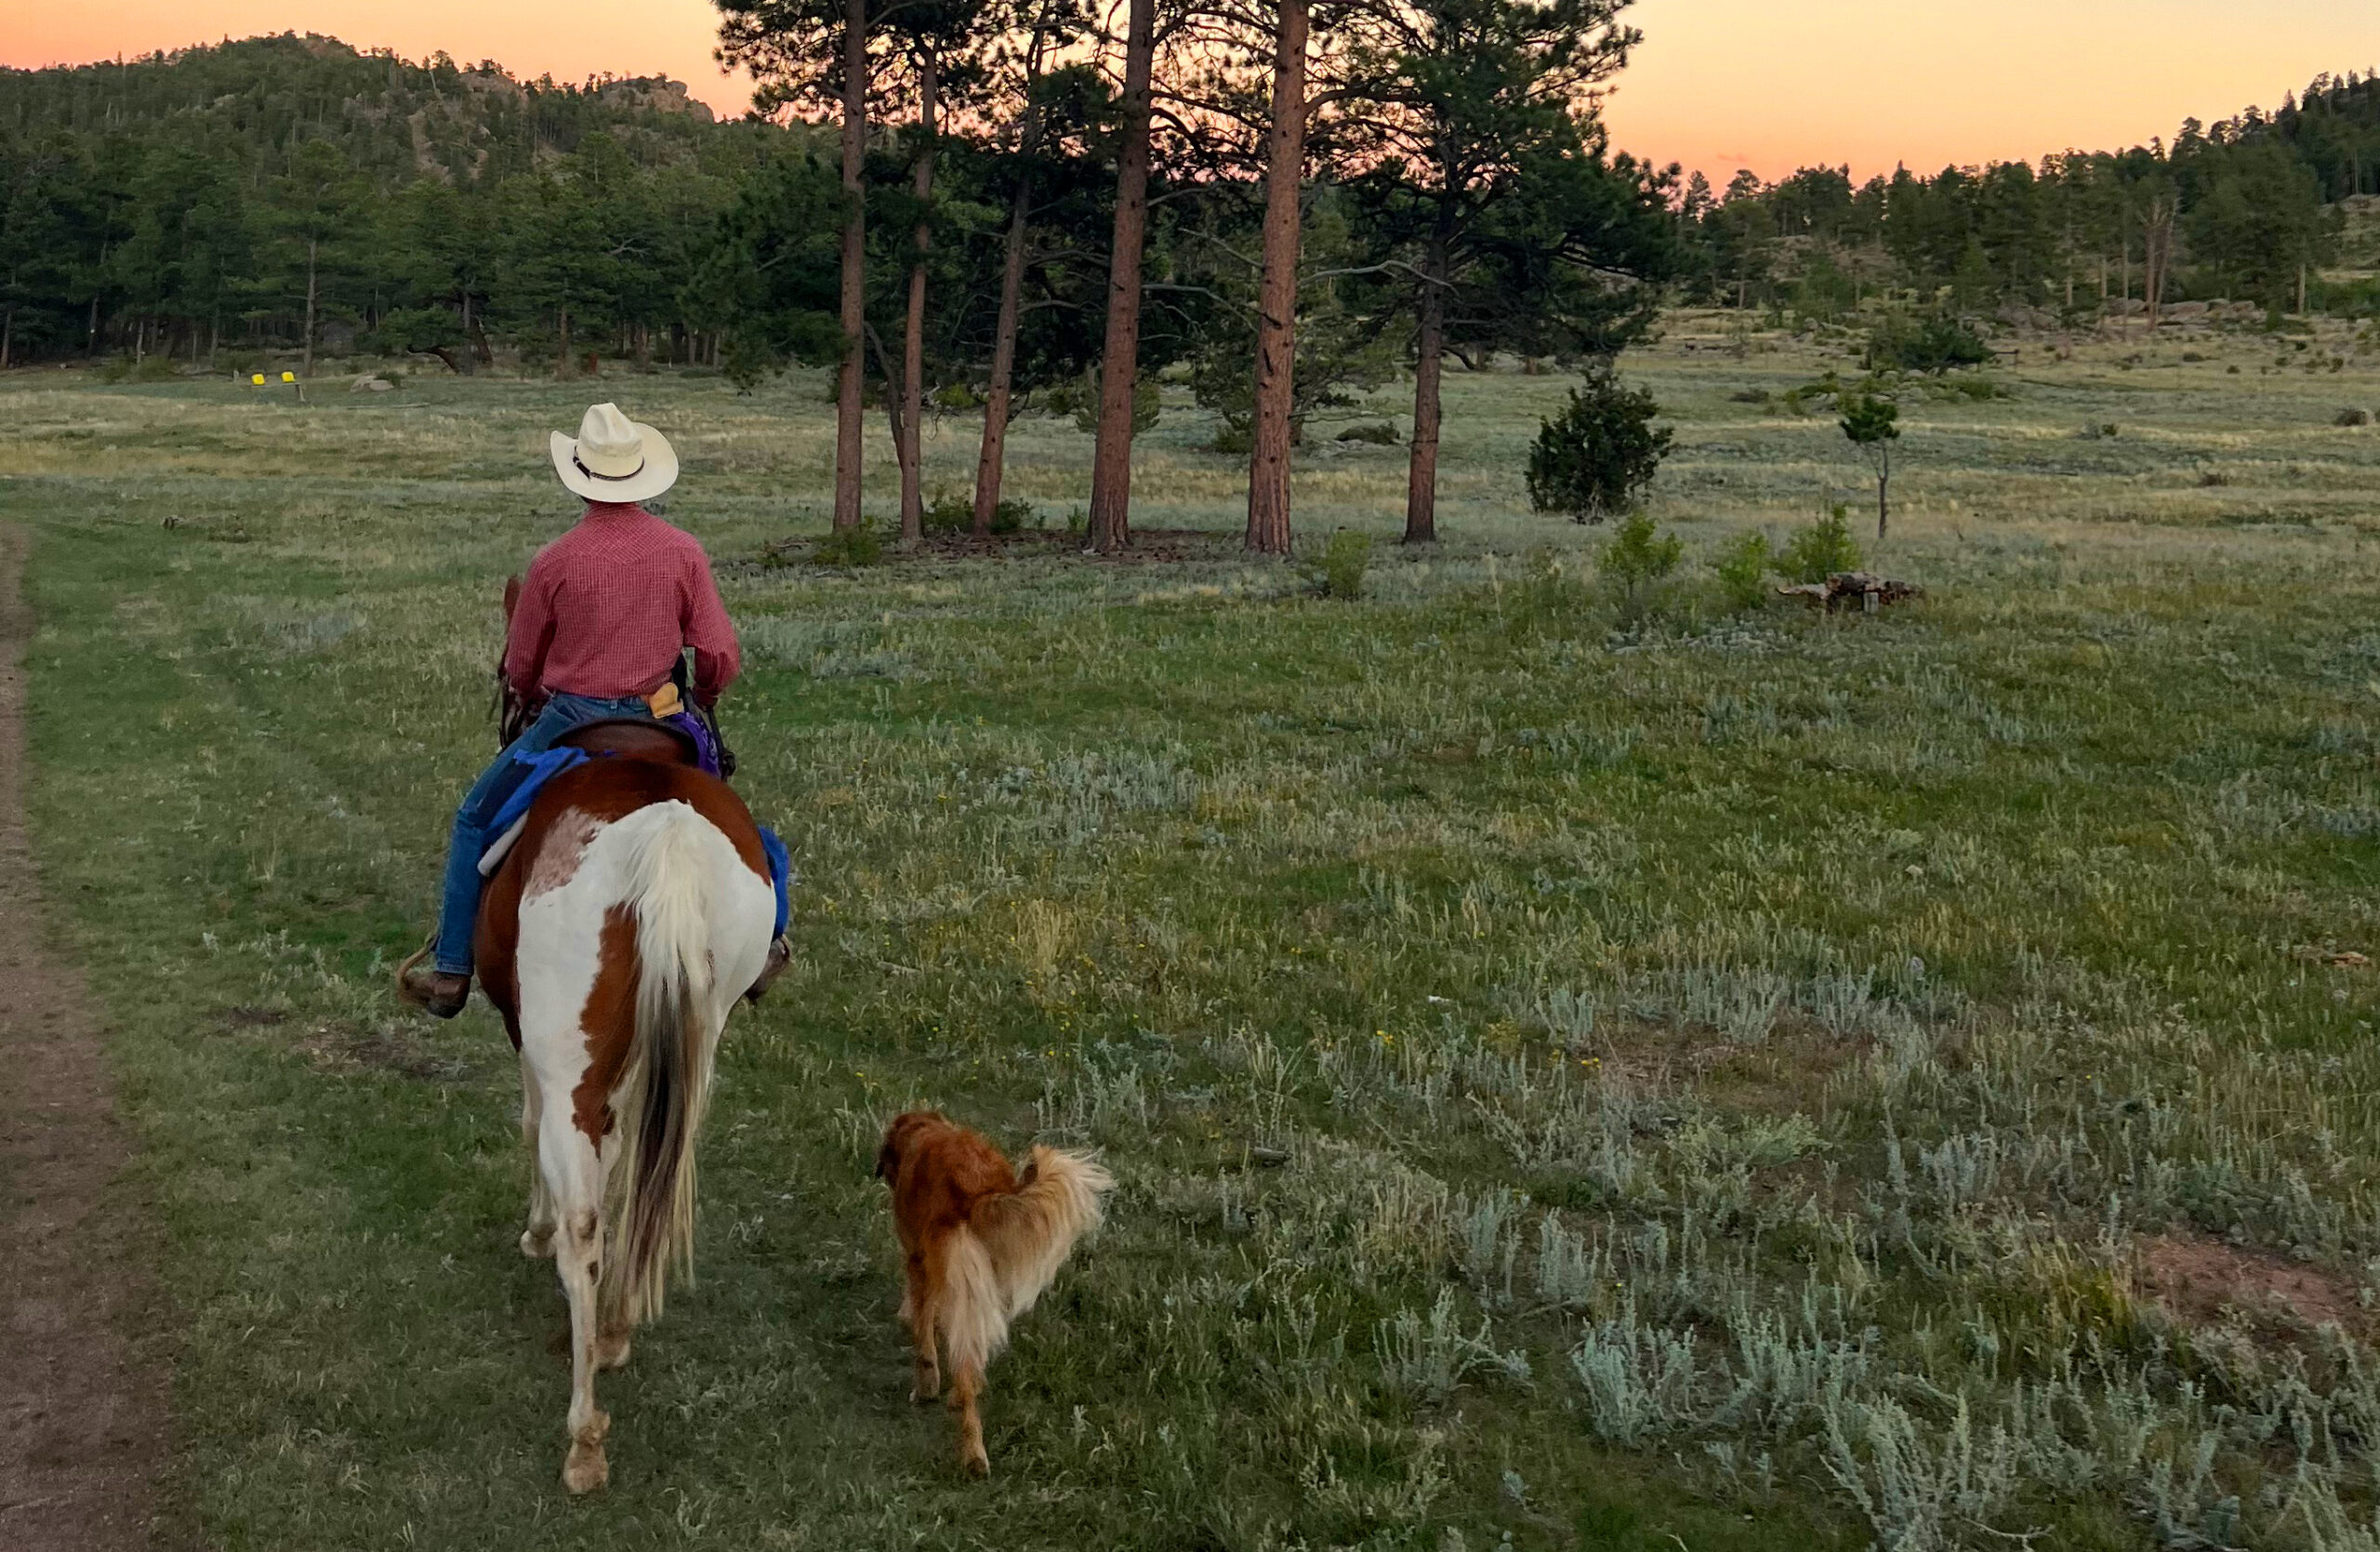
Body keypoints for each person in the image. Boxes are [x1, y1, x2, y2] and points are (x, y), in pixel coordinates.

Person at [398, 403, 779, 1017]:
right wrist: (700, 697)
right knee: (729, 818)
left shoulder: (554, 562)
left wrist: (535, 682)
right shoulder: (683, 551)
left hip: (574, 715)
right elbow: (719, 654)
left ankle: (449, 970)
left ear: (581, 474)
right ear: (640, 473)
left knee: (472, 818)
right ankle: (768, 939)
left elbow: (521, 668)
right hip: (662, 708)